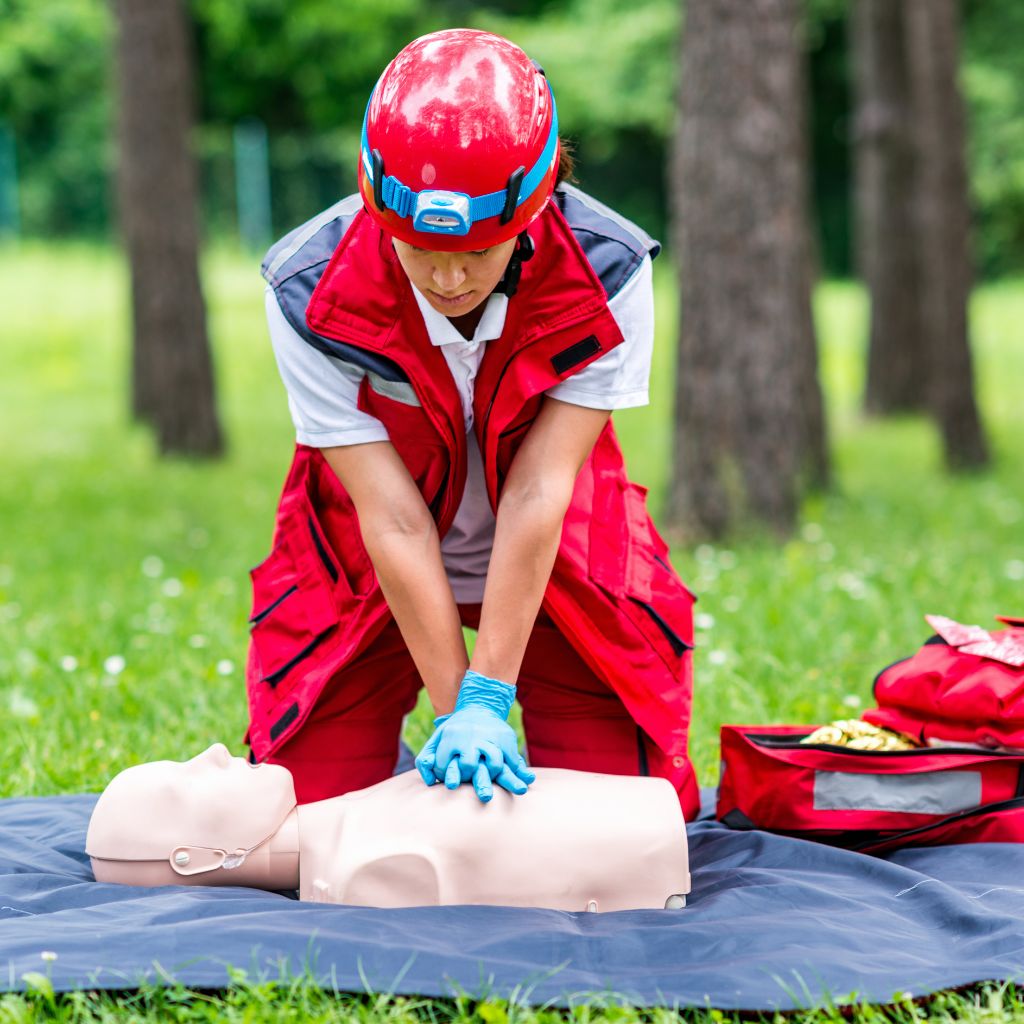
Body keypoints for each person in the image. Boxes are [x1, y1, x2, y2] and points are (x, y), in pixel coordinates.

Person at [245, 28, 700, 817]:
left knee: (628, 825)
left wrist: (489, 695)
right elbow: (389, 518)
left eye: (479, 252)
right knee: (304, 821)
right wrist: (460, 712)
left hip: (561, 563)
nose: (449, 276)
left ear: (533, 209)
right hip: (364, 569)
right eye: (420, 250)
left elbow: (539, 492)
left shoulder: (610, 269)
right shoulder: (304, 289)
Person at [86, 744, 691, 912]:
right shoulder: (377, 863)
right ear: (190, 858)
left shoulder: (359, 825)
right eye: (185, 781)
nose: (213, 750)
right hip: (651, 846)